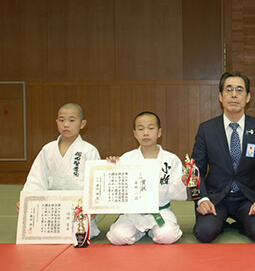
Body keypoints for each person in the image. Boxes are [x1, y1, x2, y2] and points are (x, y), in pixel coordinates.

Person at [191, 71, 255, 243]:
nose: (233, 95)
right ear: (220, 96)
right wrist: (201, 198)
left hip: (248, 198)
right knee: (204, 233)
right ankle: (220, 223)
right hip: (216, 198)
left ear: (247, 97)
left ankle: (240, 224)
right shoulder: (206, 129)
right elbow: (196, 170)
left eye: (239, 90)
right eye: (228, 89)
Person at [106, 111, 192, 245]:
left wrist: (182, 181)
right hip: (133, 214)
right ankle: (139, 231)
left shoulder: (171, 159)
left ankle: (153, 231)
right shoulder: (126, 159)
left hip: (160, 212)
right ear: (135, 134)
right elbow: (116, 188)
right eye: (140, 129)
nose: (145, 133)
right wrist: (112, 167)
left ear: (159, 132)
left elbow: (175, 193)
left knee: (168, 236)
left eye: (151, 128)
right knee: (117, 237)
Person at [18, 102, 101, 238]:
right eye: (61, 120)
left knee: (79, 233)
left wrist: (91, 208)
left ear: (82, 124)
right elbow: (36, 179)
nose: (66, 124)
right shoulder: (48, 149)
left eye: (72, 120)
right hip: (52, 208)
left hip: (78, 209)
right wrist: (27, 200)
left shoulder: (88, 150)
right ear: (56, 122)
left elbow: (96, 185)